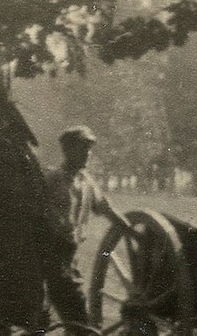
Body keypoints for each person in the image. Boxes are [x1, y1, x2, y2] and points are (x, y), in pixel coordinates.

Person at [42, 126, 132, 335]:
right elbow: (37, 214)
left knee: (69, 318)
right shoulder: (52, 179)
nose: (88, 154)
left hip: (69, 258)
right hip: (50, 256)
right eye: (82, 149)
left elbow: (105, 208)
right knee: (77, 318)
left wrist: (129, 228)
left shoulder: (86, 182)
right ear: (68, 150)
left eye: (89, 149)